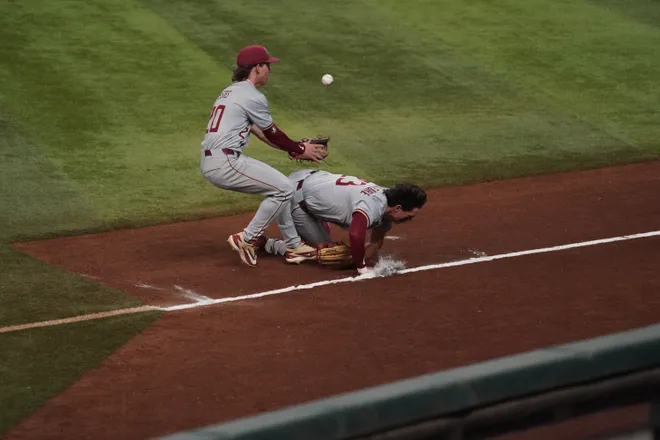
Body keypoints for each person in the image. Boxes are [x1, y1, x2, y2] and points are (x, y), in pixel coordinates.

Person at [200, 45, 326, 267]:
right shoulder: (252, 96)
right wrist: (299, 149)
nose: (270, 70)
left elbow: (259, 132)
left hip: (217, 159)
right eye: (268, 65)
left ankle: (294, 246)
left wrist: (294, 148)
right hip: (225, 162)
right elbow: (272, 133)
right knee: (285, 189)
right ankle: (247, 238)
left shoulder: (232, 91)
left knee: (282, 186)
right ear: (257, 68)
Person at [262, 169, 427, 276]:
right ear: (398, 208)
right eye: (409, 215)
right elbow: (356, 234)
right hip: (295, 199)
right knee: (327, 253)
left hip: (309, 178)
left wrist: (370, 255)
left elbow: (376, 240)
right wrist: (361, 266)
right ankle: (268, 244)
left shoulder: (387, 203)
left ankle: (317, 222)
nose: (409, 219)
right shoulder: (372, 205)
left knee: (345, 251)